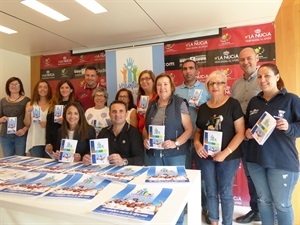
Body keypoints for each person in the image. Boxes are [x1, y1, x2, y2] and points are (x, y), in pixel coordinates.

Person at [245, 63, 300, 225]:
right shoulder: (254, 102)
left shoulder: (291, 99)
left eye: (267, 75)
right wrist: (248, 132)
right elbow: (248, 126)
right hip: (255, 160)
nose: (262, 80)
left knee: (282, 205)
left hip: (282, 162)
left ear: (276, 77)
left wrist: (289, 127)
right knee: (263, 201)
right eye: (260, 76)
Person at [194, 70, 245, 225]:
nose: (215, 86)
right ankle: (214, 222)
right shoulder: (203, 108)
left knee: (225, 192)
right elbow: (198, 131)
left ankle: (227, 223)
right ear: (207, 86)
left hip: (229, 157)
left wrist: (225, 153)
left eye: (219, 82)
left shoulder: (233, 104)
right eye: (211, 83)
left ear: (225, 85)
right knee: (210, 191)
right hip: (206, 157)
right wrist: (197, 144)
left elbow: (241, 132)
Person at [143, 73, 193, 225]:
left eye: (165, 84)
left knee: (175, 190)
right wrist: (145, 139)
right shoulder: (151, 105)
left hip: (175, 155)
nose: (162, 87)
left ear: (171, 86)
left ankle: (177, 221)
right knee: (156, 189)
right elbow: (146, 128)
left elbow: (189, 129)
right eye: (159, 84)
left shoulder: (179, 103)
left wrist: (176, 143)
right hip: (154, 155)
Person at [175, 59, 210, 223]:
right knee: (184, 175)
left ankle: (207, 208)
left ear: (197, 70)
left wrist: (202, 109)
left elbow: (215, 109)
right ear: (181, 71)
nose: (188, 71)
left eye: (191, 68)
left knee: (205, 176)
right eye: (185, 69)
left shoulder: (206, 89)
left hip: (202, 140)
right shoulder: (175, 91)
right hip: (181, 139)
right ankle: (184, 205)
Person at [231, 47, 261, 223]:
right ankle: (256, 210)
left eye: (249, 58)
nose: (246, 62)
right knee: (250, 175)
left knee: (265, 174)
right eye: (242, 59)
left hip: (263, 137)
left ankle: (270, 211)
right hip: (243, 135)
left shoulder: (265, 78)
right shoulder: (236, 84)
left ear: (256, 58)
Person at [83, 100, 144, 166]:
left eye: (121, 111)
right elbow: (94, 153)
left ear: (126, 114)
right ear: (109, 114)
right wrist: (88, 158)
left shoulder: (134, 133)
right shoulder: (103, 132)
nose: (117, 114)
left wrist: (124, 161)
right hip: (104, 171)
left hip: (127, 172)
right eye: (114, 111)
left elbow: (140, 159)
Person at [0, 77, 30, 157]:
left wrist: (24, 130)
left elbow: (30, 119)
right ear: (8, 87)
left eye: (17, 84)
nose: (14, 86)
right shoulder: (3, 101)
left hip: (21, 136)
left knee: (20, 161)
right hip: (5, 137)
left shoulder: (27, 100)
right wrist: (1, 119)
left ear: (20, 87)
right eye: (12, 84)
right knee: (7, 161)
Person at [45, 79, 77, 157]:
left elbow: (80, 122)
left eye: (67, 87)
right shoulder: (52, 104)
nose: (64, 90)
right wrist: (48, 143)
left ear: (71, 90)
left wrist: (66, 121)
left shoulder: (76, 104)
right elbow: (49, 125)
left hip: (70, 140)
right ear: (59, 90)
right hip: (55, 139)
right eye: (62, 88)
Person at [24, 80, 52, 158]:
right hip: (35, 140)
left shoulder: (53, 104)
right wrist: (27, 113)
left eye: (45, 87)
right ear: (37, 89)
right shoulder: (30, 104)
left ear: (48, 89)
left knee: (49, 168)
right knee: (37, 167)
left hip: (49, 142)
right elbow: (27, 124)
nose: (42, 89)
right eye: (40, 87)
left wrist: (48, 124)